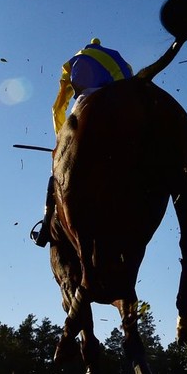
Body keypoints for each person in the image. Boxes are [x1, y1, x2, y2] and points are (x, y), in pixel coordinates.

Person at [31, 39, 134, 247]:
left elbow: (60, 103)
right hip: (123, 109)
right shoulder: (121, 61)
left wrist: (61, 140)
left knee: (56, 174)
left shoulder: (75, 61)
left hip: (88, 99)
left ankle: (45, 226)